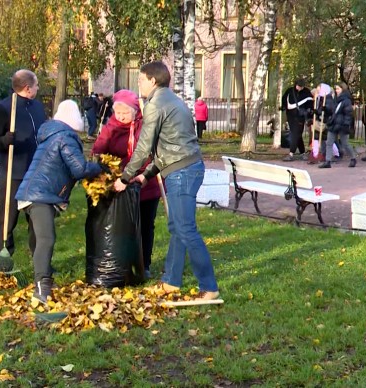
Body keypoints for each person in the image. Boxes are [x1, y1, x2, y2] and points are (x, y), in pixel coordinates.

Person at [113, 61, 220, 302]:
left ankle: (209, 287)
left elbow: (144, 147)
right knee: (177, 228)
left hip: (182, 172)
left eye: (141, 79)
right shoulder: (170, 100)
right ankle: (171, 281)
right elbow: (171, 145)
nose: (138, 83)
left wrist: (125, 177)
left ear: (153, 80)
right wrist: (146, 174)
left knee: (186, 229)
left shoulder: (156, 104)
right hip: (184, 167)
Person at [15, 100, 103, 304]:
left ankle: (44, 275)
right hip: (41, 195)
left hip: (31, 192)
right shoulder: (66, 137)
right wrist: (99, 168)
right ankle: (41, 287)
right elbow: (79, 169)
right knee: (46, 239)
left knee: (37, 239)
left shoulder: (52, 134)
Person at [92, 89, 161, 279]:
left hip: (146, 183)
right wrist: (98, 158)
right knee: (123, 225)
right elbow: (100, 146)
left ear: (134, 111)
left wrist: (142, 175)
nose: (122, 117)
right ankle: (122, 263)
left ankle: (144, 264)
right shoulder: (111, 126)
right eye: (118, 113)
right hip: (120, 185)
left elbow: (150, 152)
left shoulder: (144, 125)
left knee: (146, 225)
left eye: (125, 113)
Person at [0, 69, 47, 256]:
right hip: (14, 172)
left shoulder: (37, 107)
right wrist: (4, 140)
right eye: (36, 85)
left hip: (36, 172)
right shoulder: (4, 108)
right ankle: (3, 258)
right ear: (28, 88)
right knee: (7, 220)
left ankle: (40, 261)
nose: (38, 88)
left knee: (37, 220)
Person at [318, 82, 356, 168]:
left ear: (342, 89)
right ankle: (328, 161)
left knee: (345, 143)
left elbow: (348, 114)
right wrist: (326, 109)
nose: (336, 90)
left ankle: (353, 158)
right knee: (329, 142)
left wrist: (346, 124)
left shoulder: (346, 100)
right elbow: (332, 111)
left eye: (338, 89)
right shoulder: (335, 99)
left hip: (342, 124)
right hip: (334, 123)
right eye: (336, 89)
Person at [281, 78, 313, 161]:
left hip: (300, 117)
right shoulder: (290, 91)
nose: (300, 88)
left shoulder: (306, 92)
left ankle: (291, 154)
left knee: (296, 134)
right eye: (299, 86)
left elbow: (310, 104)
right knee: (297, 135)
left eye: (301, 86)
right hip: (291, 116)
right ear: (296, 84)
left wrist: (309, 112)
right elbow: (284, 100)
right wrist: (283, 107)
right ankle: (302, 153)